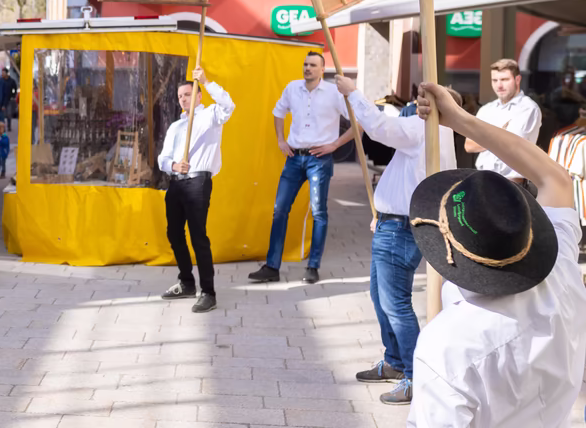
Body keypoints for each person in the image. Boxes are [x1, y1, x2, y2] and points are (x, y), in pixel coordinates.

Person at [407, 82, 586, 427]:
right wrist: (461, 119)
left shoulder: (446, 349)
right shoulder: (562, 271)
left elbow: (555, 179)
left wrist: (460, 120)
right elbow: (556, 179)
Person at [333, 76, 459, 405]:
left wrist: (353, 93)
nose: (417, 104)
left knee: (395, 303)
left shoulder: (427, 129)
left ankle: (415, 375)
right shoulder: (437, 133)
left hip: (400, 227)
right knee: (380, 296)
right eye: (419, 97)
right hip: (394, 222)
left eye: (424, 99)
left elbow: (378, 127)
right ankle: (395, 361)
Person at [249, 52, 354, 285]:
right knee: (279, 209)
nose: (307, 68)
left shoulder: (333, 93)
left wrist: (335, 144)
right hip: (294, 158)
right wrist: (280, 140)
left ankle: (313, 266)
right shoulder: (292, 88)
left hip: (319, 159)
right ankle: (272, 267)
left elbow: (358, 122)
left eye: (313, 65)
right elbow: (278, 112)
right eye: (306, 64)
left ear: (322, 69)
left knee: (318, 212)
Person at [154, 67, 234, 313]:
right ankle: (186, 282)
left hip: (198, 181)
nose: (183, 99)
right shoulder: (176, 127)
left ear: (198, 96)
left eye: (188, 94)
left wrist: (207, 81)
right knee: (174, 234)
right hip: (176, 182)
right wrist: (173, 165)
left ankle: (208, 292)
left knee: (198, 236)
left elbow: (229, 105)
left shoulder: (210, 115)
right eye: (180, 96)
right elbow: (162, 158)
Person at [468, 58, 542, 194]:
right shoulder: (486, 109)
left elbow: (510, 144)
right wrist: (500, 132)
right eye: (495, 80)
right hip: (483, 181)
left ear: (517, 79)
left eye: (504, 79)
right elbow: (469, 145)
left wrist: (484, 136)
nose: (499, 85)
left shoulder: (527, 108)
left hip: (513, 184)